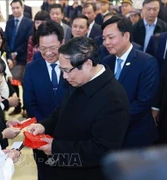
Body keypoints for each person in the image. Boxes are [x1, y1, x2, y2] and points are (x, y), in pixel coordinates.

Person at [27, 36, 130, 180]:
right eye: (62, 70)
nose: (64, 76)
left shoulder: (113, 100)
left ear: (87, 64)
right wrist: (44, 126)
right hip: (61, 167)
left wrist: (56, 149)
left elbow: (101, 151)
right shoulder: (80, 80)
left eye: (67, 70)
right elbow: (62, 110)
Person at [101, 16, 159, 148]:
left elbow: (144, 101)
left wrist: (114, 119)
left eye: (111, 37)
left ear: (126, 36)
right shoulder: (106, 61)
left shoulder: (146, 62)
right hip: (110, 136)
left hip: (136, 134)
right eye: (104, 38)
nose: (106, 42)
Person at [23, 20, 69, 180]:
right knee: (45, 174)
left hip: (70, 138)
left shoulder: (73, 66)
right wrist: (44, 129)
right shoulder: (31, 69)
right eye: (43, 48)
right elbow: (30, 104)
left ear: (62, 43)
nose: (48, 53)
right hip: (41, 137)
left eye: (53, 48)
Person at [4, 0, 33, 115]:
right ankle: (17, 106)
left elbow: (27, 41)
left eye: (17, 8)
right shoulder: (9, 22)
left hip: (22, 58)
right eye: (13, 8)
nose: (15, 10)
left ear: (23, 7)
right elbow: (5, 39)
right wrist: (10, 55)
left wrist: (16, 53)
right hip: (10, 58)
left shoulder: (29, 23)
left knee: (24, 84)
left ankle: (26, 107)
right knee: (12, 82)